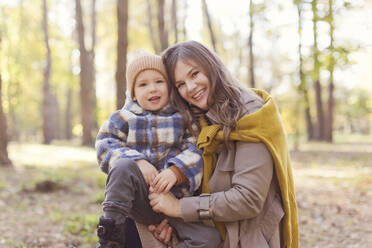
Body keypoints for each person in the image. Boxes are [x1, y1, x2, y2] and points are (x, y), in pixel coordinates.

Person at [147, 41, 299, 248]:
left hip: (248, 240)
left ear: (211, 67)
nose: (190, 88)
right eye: (180, 84)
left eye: (195, 74)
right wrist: (174, 223)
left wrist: (179, 208)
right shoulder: (202, 118)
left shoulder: (250, 114)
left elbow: (248, 199)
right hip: (213, 234)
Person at [94, 50, 221, 248]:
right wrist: (138, 161)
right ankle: (110, 234)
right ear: (133, 93)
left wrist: (176, 171)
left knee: (209, 239)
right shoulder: (124, 118)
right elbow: (105, 143)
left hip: (175, 203)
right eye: (143, 84)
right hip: (139, 202)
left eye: (159, 82)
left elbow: (197, 149)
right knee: (123, 166)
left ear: (170, 86)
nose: (152, 89)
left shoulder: (184, 117)